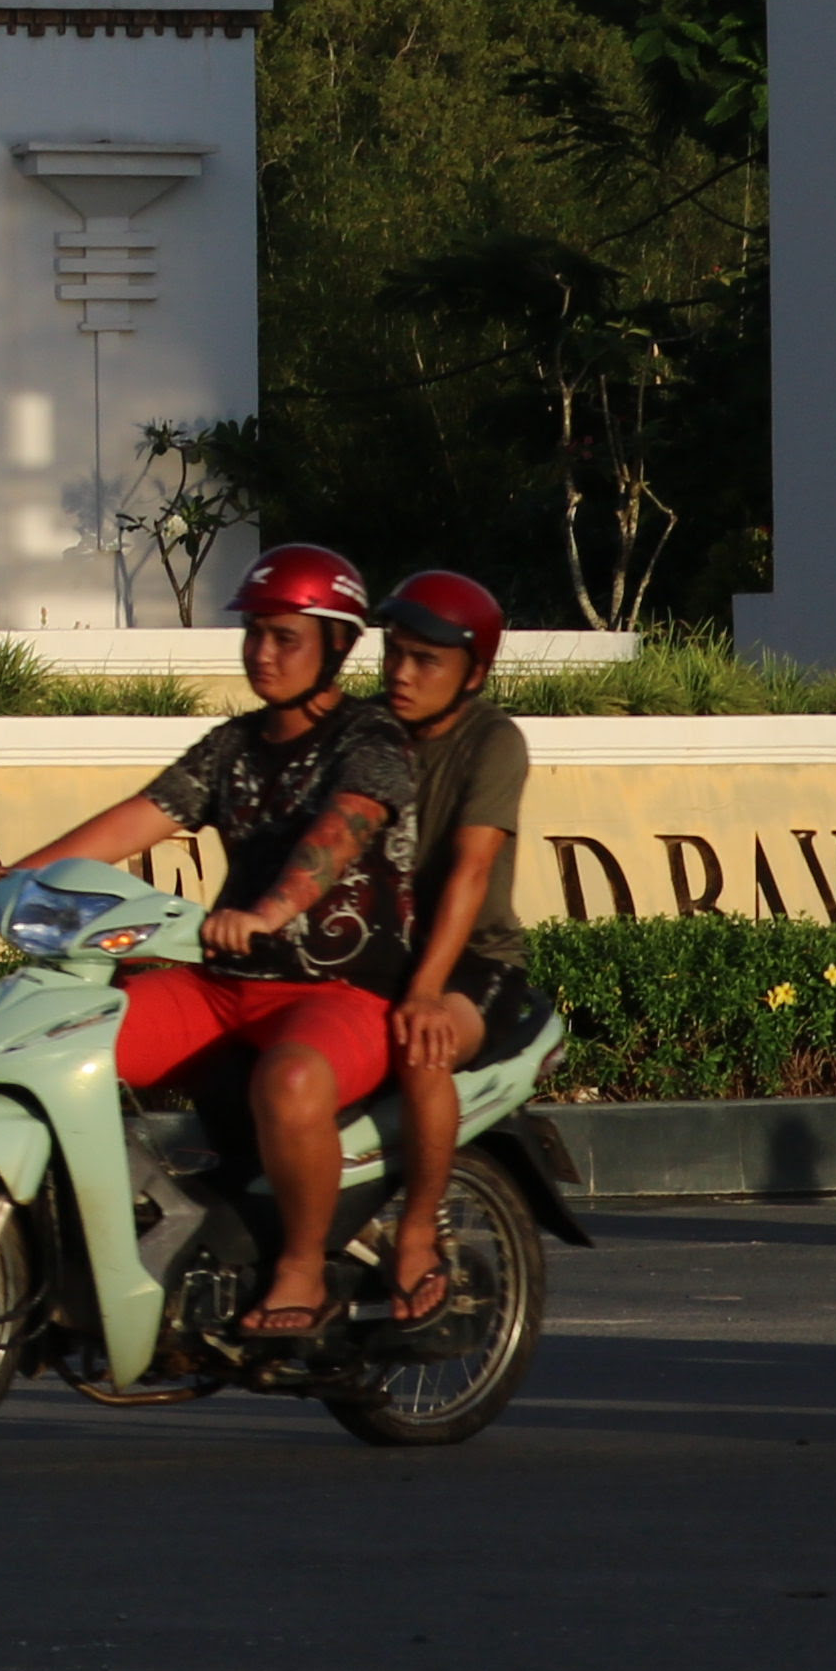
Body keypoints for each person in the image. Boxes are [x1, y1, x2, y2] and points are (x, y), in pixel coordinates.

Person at [0, 541, 415, 1343]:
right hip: (220, 983)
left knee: (290, 1083)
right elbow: (139, 817)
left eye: (286, 637)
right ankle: (108, 1255)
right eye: (254, 634)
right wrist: (16, 876)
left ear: (338, 645)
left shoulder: (372, 740)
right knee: (72, 1039)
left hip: (339, 992)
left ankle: (303, 1268)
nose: (263, 653)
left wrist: (273, 911)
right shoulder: (233, 746)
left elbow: (340, 835)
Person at [357, 567, 533, 1326]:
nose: (402, 673)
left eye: (426, 660)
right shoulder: (365, 730)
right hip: (373, 953)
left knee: (422, 1046)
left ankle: (419, 1233)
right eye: (394, 654)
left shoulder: (493, 741)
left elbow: (470, 871)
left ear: (475, 674)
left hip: (473, 964)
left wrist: (427, 990)